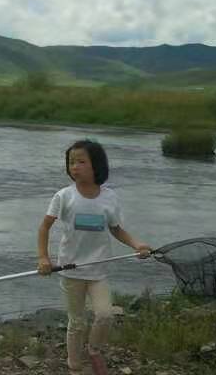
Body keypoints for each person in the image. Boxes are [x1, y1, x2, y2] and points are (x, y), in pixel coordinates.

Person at [37, 139, 151, 375]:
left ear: (96, 165)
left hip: (98, 270)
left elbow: (116, 229)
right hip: (70, 270)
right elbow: (44, 228)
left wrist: (137, 245)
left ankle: (94, 350)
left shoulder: (109, 197)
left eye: (81, 162)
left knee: (105, 315)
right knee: (77, 323)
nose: (75, 167)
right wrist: (44, 258)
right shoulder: (64, 196)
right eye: (71, 162)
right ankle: (74, 366)